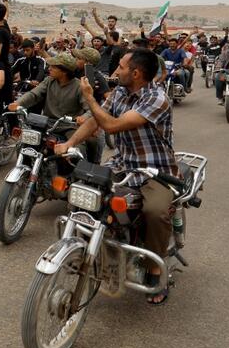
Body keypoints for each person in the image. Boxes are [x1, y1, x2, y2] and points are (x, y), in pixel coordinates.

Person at [55, 49, 180, 304]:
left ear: (135, 73)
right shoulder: (121, 92)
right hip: (122, 164)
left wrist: (89, 98)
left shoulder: (157, 99)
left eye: (121, 67)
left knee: (154, 212)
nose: (116, 71)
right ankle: (90, 248)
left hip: (155, 171)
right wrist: (70, 142)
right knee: (85, 193)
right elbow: (96, 121)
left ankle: (156, 269)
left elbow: (111, 125)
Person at [7, 52, 90, 146]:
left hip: (69, 126)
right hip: (47, 123)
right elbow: (34, 94)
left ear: (64, 71)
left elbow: (90, 109)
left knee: (76, 148)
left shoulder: (79, 86)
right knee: (26, 143)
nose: (49, 69)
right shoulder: (49, 80)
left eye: (53, 67)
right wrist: (18, 103)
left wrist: (84, 117)